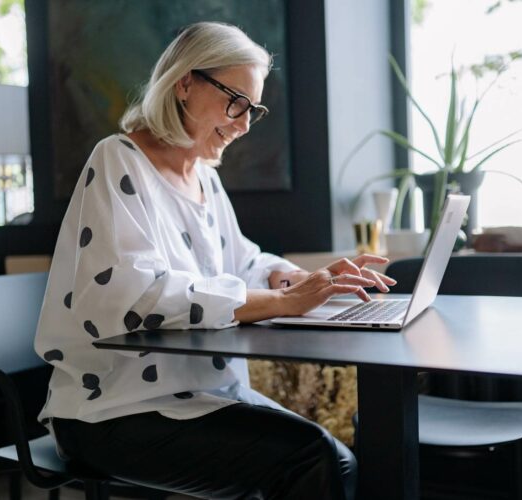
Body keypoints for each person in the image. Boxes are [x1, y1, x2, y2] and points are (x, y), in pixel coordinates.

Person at [34, 21, 395, 500]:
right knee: (314, 459)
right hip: (112, 410)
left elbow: (240, 263)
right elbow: (136, 294)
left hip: (201, 395)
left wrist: (293, 279)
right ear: (184, 82)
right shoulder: (117, 160)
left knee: (338, 459)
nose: (244, 123)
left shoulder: (204, 178)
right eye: (235, 101)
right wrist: (279, 304)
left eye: (253, 109)